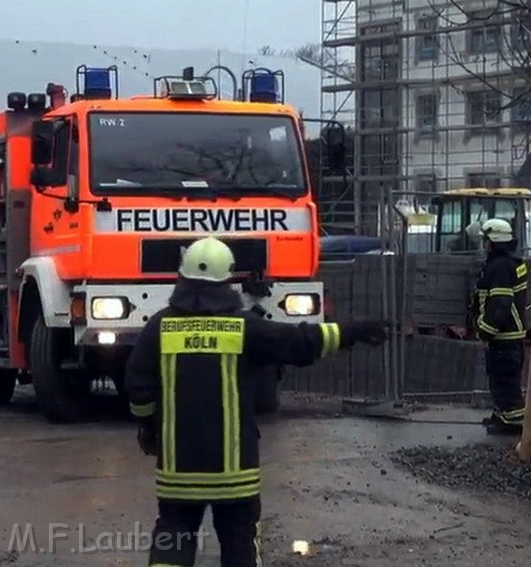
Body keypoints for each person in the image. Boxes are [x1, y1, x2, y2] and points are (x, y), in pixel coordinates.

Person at [125, 236, 390, 567]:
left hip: (178, 473)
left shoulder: (159, 328)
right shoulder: (244, 328)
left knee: (173, 542)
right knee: (239, 547)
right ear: (228, 279)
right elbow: (299, 342)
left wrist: (149, 429)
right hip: (235, 474)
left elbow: (138, 386)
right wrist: (353, 331)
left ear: (182, 276)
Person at [470, 217, 528, 435]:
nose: (483, 244)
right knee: (500, 381)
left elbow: (501, 306)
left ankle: (511, 424)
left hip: (504, 339)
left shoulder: (500, 267)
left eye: (485, 240)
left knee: (505, 383)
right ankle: (502, 416)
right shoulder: (507, 263)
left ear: (493, 241)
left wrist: (485, 333)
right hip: (509, 338)